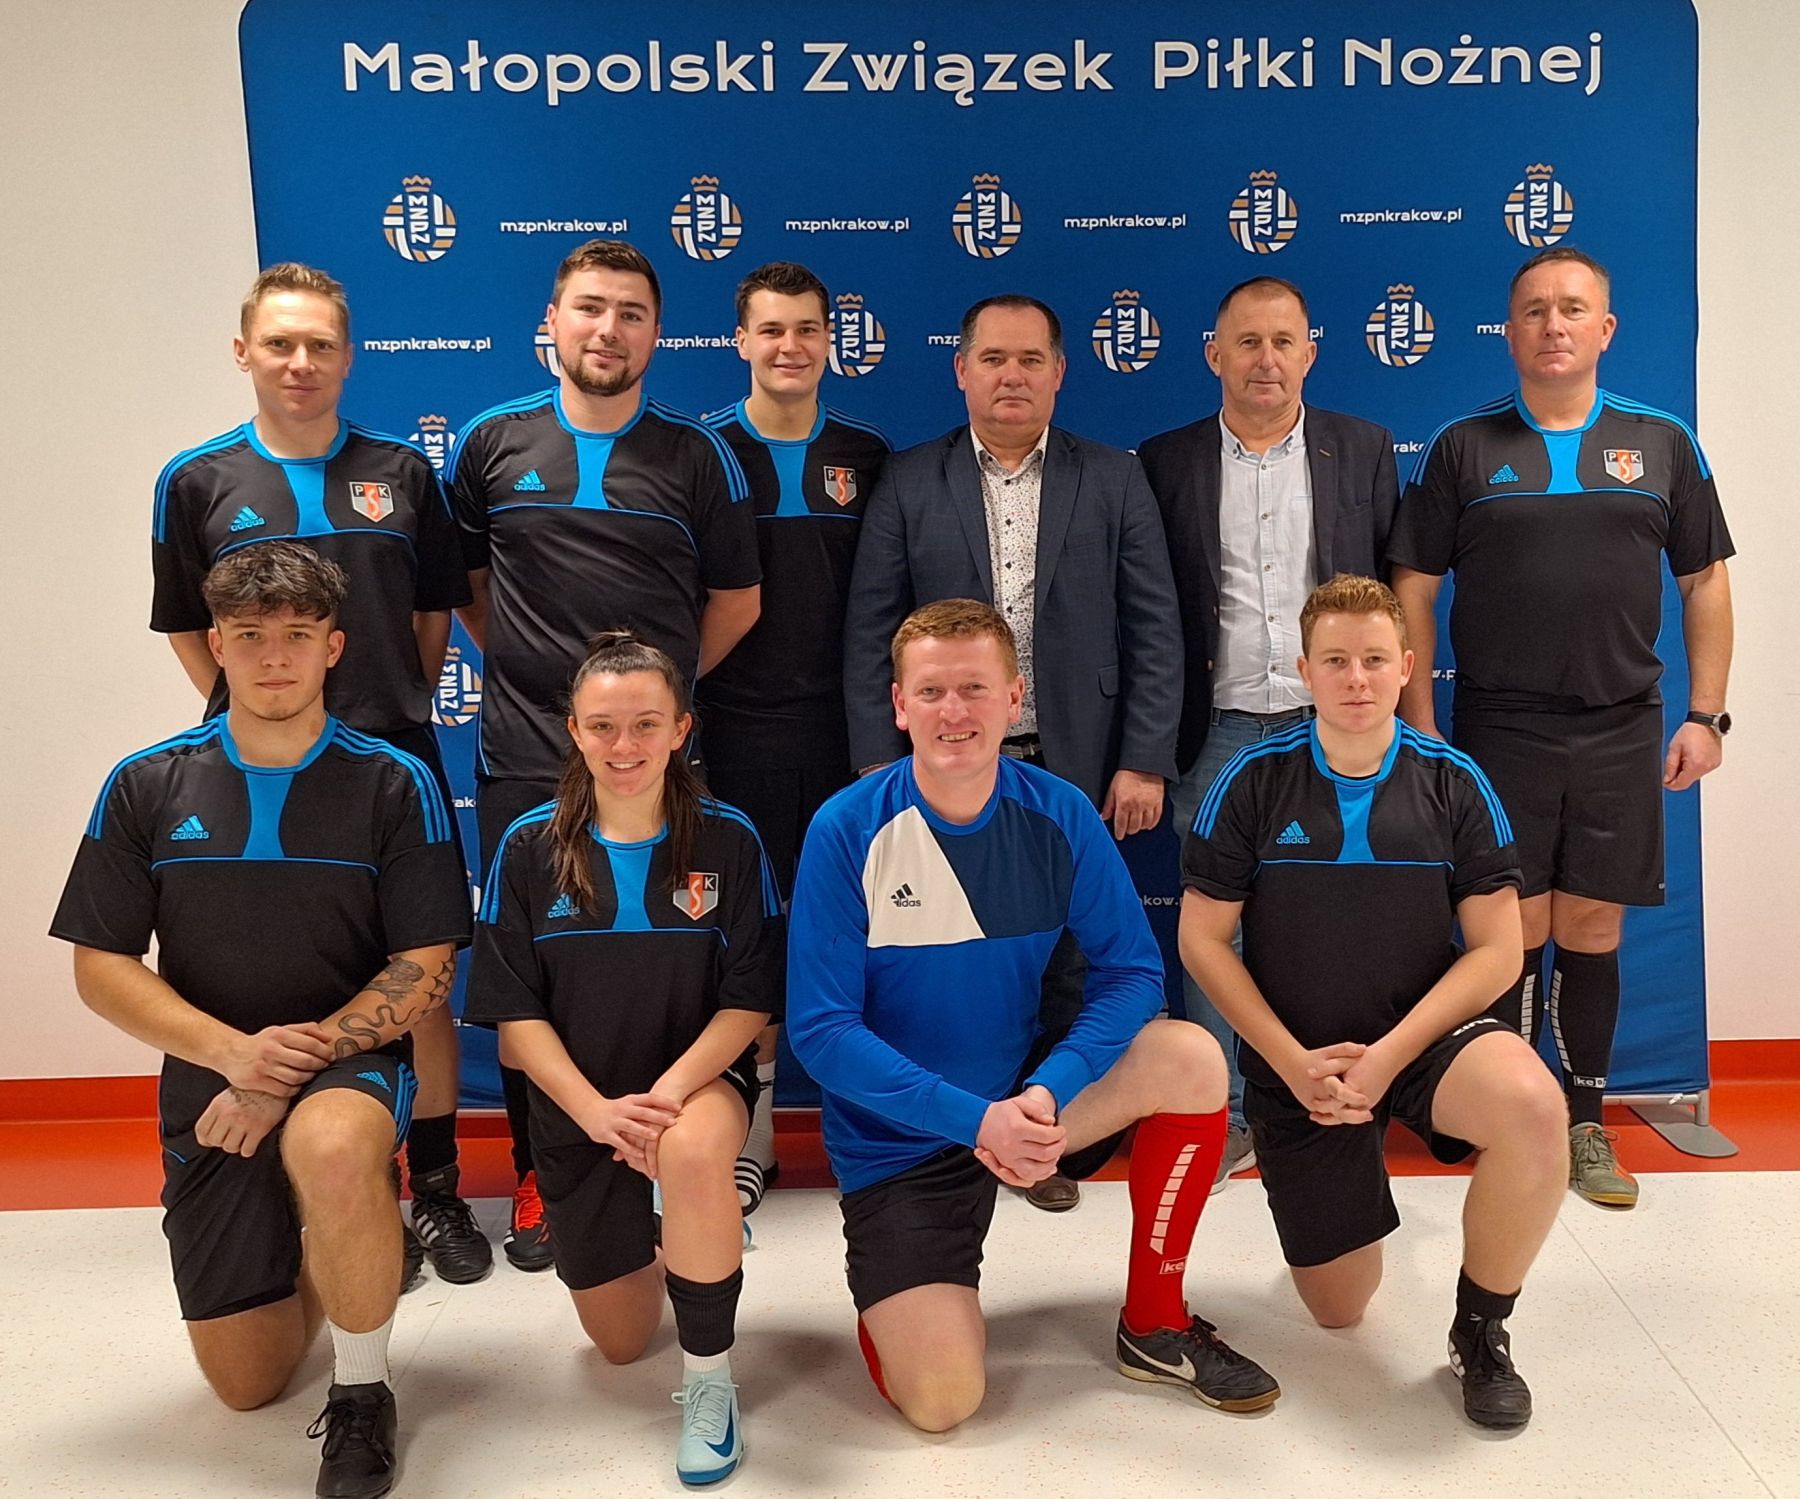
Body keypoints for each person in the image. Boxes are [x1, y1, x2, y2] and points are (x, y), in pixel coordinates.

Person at [788, 599, 1276, 1433]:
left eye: (975, 688)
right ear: (899, 704)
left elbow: (1133, 973)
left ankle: (1155, 1321)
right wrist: (976, 1121)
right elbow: (821, 1033)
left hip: (1032, 1106)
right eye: (931, 691)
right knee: (943, 1401)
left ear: (1015, 697)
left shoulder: (1059, 812)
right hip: (904, 1142)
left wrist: (1045, 1093)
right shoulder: (848, 828)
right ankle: (901, 1306)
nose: (954, 711)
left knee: (1192, 1057)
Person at [50, 542, 473, 1498]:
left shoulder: (394, 780)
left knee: (332, 1144)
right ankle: (338, 1231)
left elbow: (425, 967)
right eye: (249, 636)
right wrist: (236, 1057)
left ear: (333, 647)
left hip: (348, 1060)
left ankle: (362, 1391)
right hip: (213, 1075)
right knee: (246, 1383)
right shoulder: (145, 783)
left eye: (295, 635)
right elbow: (100, 967)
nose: (273, 657)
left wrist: (284, 1068)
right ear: (216, 645)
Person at [150, 263, 486, 1284]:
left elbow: (431, 617)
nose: (301, 361)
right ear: (244, 351)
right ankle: (341, 1187)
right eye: (280, 342)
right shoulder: (195, 480)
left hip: (394, 756)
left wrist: (382, 713)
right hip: (258, 771)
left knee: (421, 977)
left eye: (321, 344)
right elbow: (190, 627)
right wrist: (268, 719)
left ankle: (435, 1188)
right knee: (280, 967)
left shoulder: (404, 472)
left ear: (349, 355)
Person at [1388, 247, 1736, 1208]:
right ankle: (1504, 1114)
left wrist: (1706, 714)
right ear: (1509, 330)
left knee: (1590, 924)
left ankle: (1583, 1122)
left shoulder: (1662, 442)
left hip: (1623, 726)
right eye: (1535, 309)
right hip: (1499, 727)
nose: (1554, 324)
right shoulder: (1462, 446)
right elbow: (1411, 587)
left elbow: (1706, 581)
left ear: (1604, 328)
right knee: (1513, 927)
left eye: (1573, 308)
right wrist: (1421, 725)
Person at [1181, 574, 1568, 1429]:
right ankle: (1352, 1181)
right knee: (1340, 1308)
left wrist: (1391, 1055)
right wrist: (1291, 1062)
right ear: (1303, 671)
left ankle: (1481, 1331)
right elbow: (1201, 940)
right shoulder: (1251, 779)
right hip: (1304, 1062)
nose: (1356, 678)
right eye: (1335, 661)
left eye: (1373, 659)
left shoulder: (1455, 781)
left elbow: (1500, 950)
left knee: (1536, 1106)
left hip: (1424, 1042)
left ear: (1407, 667)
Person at [449, 238, 761, 1267]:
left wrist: (644, 709)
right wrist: (561, 698)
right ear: (553, 320)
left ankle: (674, 1153)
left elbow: (737, 600)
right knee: (533, 981)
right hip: (525, 758)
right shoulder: (490, 444)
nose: (608, 329)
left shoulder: (698, 454)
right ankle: (541, 1175)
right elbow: (473, 596)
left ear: (657, 332)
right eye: (589, 307)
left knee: (658, 968)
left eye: (631, 312)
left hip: (655, 768)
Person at [840, 296, 1182, 1211]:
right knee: (967, 951)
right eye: (993, 358)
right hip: (943, 762)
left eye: (1032, 359)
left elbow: (1155, 625)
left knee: (1068, 953)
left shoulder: (1114, 476)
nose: (1012, 376)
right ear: (961, 370)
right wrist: (877, 760)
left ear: (1060, 372)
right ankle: (956, 1127)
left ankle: (1049, 1136)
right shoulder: (909, 480)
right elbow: (872, 627)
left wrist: (1144, 757)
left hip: (1079, 757)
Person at [467, 631, 781, 1485]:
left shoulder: (728, 838)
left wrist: (666, 1099)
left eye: (646, 723)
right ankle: (687, 1223)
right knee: (619, 1340)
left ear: (681, 728)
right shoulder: (528, 845)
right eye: (603, 725)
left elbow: (749, 1002)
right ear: (573, 730)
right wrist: (601, 1114)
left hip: (693, 1087)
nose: (625, 744)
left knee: (693, 1152)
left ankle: (710, 1383)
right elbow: (515, 1020)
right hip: (582, 1106)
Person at [1139, 275, 1399, 1191]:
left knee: (1333, 921)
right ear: (1214, 354)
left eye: (1284, 341)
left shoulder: (1362, 449)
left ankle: (1333, 1101)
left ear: (1310, 352)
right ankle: (1222, 1113)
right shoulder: (1164, 460)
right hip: (1212, 732)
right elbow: (1148, 613)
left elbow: (1393, 596)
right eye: (1246, 342)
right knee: (1214, 931)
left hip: (1335, 732)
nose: (1266, 359)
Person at [697, 260, 891, 1214]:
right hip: (732, 734)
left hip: (850, 737)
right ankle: (756, 1128)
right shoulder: (704, 451)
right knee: (750, 936)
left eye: (808, 329)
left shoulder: (869, 453)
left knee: (870, 929)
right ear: (741, 340)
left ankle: (880, 1128)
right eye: (771, 329)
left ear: (830, 340)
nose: (790, 346)